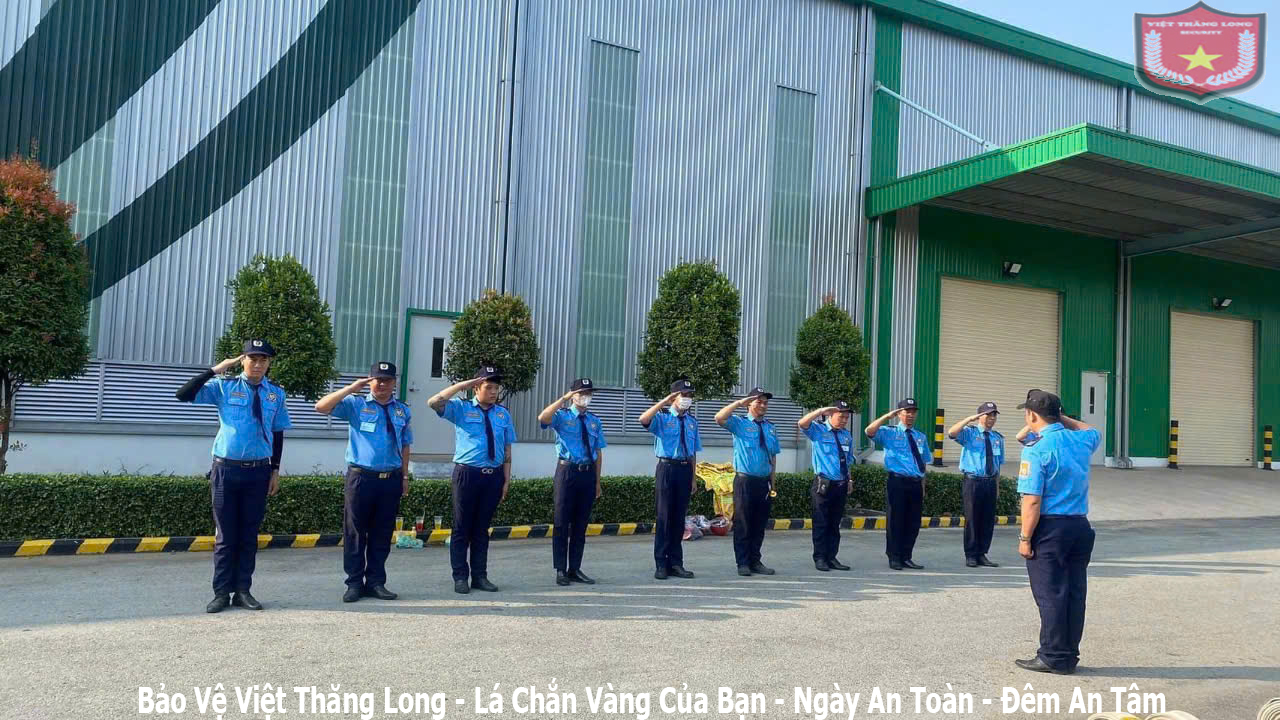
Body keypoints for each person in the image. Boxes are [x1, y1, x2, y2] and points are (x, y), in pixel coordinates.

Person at [175, 339, 292, 613]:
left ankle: (242, 591)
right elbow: (183, 395)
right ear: (243, 360)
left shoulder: (276, 394)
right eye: (253, 358)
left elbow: (277, 433)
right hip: (226, 470)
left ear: (269, 363)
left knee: (249, 535)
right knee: (225, 537)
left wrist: (275, 469)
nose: (258, 364)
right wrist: (214, 370)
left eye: (263, 359)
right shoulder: (224, 387)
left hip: (259, 471)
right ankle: (221, 593)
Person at [1014, 389, 1099, 675]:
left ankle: (1052, 656)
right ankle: (1068, 654)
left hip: (1050, 529)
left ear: (1031, 415)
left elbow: (1032, 501)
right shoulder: (1081, 440)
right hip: (1079, 526)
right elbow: (1092, 430)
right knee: (1074, 593)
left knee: (1051, 594)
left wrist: (1025, 538)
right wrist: (1061, 418)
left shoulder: (1035, 449)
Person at [314, 361, 413, 603]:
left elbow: (405, 445)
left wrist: (404, 476)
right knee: (355, 533)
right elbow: (321, 407)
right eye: (378, 380)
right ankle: (354, 583)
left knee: (382, 533)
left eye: (387, 380)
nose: (382, 384)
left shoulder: (402, 410)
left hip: (390, 479)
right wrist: (350, 388)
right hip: (361, 478)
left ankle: (376, 582)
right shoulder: (355, 404)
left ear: (394, 383)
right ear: (370, 380)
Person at [429, 366, 517, 594]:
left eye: (496, 388)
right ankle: (460, 576)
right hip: (467, 474)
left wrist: (506, 479)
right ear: (476, 388)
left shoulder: (503, 414)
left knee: (481, 529)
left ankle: (480, 576)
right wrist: (463, 385)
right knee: (462, 527)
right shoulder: (462, 408)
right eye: (489, 387)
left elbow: (507, 448)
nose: (494, 392)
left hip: (493, 476)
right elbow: (433, 402)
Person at [537, 378, 607, 586]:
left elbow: (598, 452)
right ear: (573, 395)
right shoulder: (562, 416)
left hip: (587, 473)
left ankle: (575, 568)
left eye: (589, 393)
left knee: (580, 524)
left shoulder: (594, 420)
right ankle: (560, 569)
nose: (586, 397)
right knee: (561, 522)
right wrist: (563, 399)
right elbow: (543, 418)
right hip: (567, 471)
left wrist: (597, 481)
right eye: (582, 393)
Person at [638, 378, 701, 580]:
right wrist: (663, 402)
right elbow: (643, 419)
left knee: (678, 519)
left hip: (684, 470)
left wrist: (693, 478)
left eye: (690, 395)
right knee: (664, 518)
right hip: (667, 468)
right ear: (674, 397)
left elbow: (692, 452)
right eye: (684, 395)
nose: (687, 399)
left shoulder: (692, 422)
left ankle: (676, 563)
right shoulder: (662, 418)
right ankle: (661, 563)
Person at [715, 387, 781, 576]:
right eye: (759, 401)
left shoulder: (770, 427)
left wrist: (773, 482)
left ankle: (755, 560)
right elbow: (719, 418)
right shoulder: (739, 423)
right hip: (745, 481)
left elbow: (773, 457)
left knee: (759, 524)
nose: (763, 405)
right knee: (743, 523)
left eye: (765, 402)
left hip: (764, 482)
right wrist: (738, 403)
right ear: (749, 404)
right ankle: (742, 562)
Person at [864, 398, 929, 570]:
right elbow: (869, 431)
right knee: (896, 521)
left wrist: (923, 486)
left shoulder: (920, 436)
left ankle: (906, 556)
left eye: (913, 412)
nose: (910, 415)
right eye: (907, 411)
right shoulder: (889, 432)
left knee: (913, 522)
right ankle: (894, 557)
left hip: (915, 483)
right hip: (897, 481)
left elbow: (923, 463)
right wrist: (887, 416)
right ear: (899, 413)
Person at [797, 400, 856, 571]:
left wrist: (849, 480)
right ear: (830, 415)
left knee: (834, 524)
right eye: (841, 416)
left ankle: (832, 557)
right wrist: (821, 410)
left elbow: (847, 461)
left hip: (841, 484)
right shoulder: (818, 430)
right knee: (821, 523)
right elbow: (802, 423)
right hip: (823, 484)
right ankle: (820, 558)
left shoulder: (847, 435)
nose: (844, 420)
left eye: (846, 417)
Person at [947, 401, 1003, 568]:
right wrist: (968, 419)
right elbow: (951, 433)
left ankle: (982, 553)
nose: (992, 418)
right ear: (980, 416)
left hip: (990, 482)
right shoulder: (969, 433)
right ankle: (971, 554)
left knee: (987, 520)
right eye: (988, 414)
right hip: (973, 481)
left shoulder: (997, 438)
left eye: (994, 415)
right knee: (972, 519)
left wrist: (997, 487)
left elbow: (998, 464)